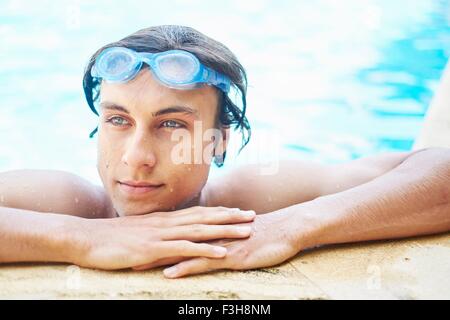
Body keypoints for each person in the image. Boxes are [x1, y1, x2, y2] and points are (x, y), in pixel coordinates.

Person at [0, 25, 449, 279]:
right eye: (118, 120)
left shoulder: (252, 201)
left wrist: (293, 227)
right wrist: (81, 237)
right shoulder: (69, 204)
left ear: (219, 142)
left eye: (172, 125)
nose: (136, 158)